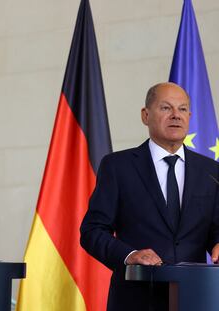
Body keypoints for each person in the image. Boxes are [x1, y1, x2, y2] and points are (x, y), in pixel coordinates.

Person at [80, 82, 219, 310]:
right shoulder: (118, 167)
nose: (176, 115)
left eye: (182, 109)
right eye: (166, 108)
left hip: (196, 297)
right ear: (145, 115)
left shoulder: (211, 171)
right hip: (136, 299)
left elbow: (215, 229)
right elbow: (92, 231)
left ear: (190, 116)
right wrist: (130, 255)